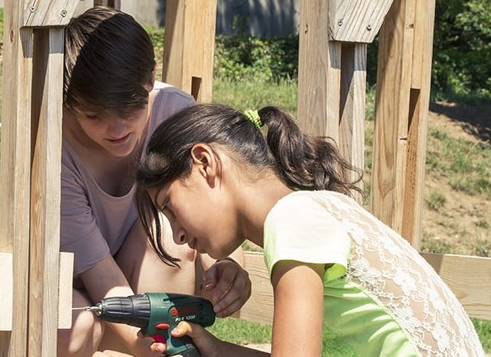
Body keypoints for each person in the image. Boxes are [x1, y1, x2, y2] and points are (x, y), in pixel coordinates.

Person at [0, 6, 252, 357]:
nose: (117, 130)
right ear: (67, 102)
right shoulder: (51, 148)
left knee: (173, 238)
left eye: (131, 109)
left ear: (150, 80)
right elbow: (102, 280)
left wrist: (231, 263)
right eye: (94, 116)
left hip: (131, 286)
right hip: (58, 289)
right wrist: (157, 350)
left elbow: (214, 202)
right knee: (70, 330)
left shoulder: (173, 114)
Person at [135, 103, 485, 356]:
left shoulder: (291, 223)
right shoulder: (317, 207)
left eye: (169, 205)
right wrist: (217, 350)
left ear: (205, 163)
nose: (177, 233)